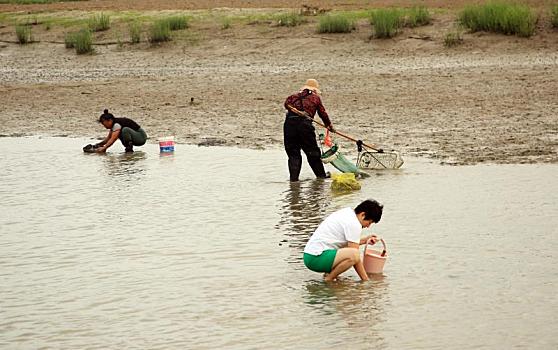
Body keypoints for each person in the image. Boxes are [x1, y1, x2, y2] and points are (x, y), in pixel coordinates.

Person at [303, 199, 383, 282]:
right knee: (355, 254)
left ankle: (329, 276)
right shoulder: (354, 224)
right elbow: (354, 256)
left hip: (310, 256)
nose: (368, 226)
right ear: (363, 215)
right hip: (316, 258)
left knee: (351, 252)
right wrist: (365, 280)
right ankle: (329, 279)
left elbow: (345, 244)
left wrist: (364, 240)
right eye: (369, 222)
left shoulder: (347, 212)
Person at [283, 79, 334, 182]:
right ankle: (321, 177)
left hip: (289, 126)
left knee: (293, 154)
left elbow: (286, 104)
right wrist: (329, 125)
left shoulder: (293, 97)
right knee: (313, 153)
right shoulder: (315, 98)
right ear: (314, 90)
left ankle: (294, 180)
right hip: (304, 126)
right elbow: (322, 113)